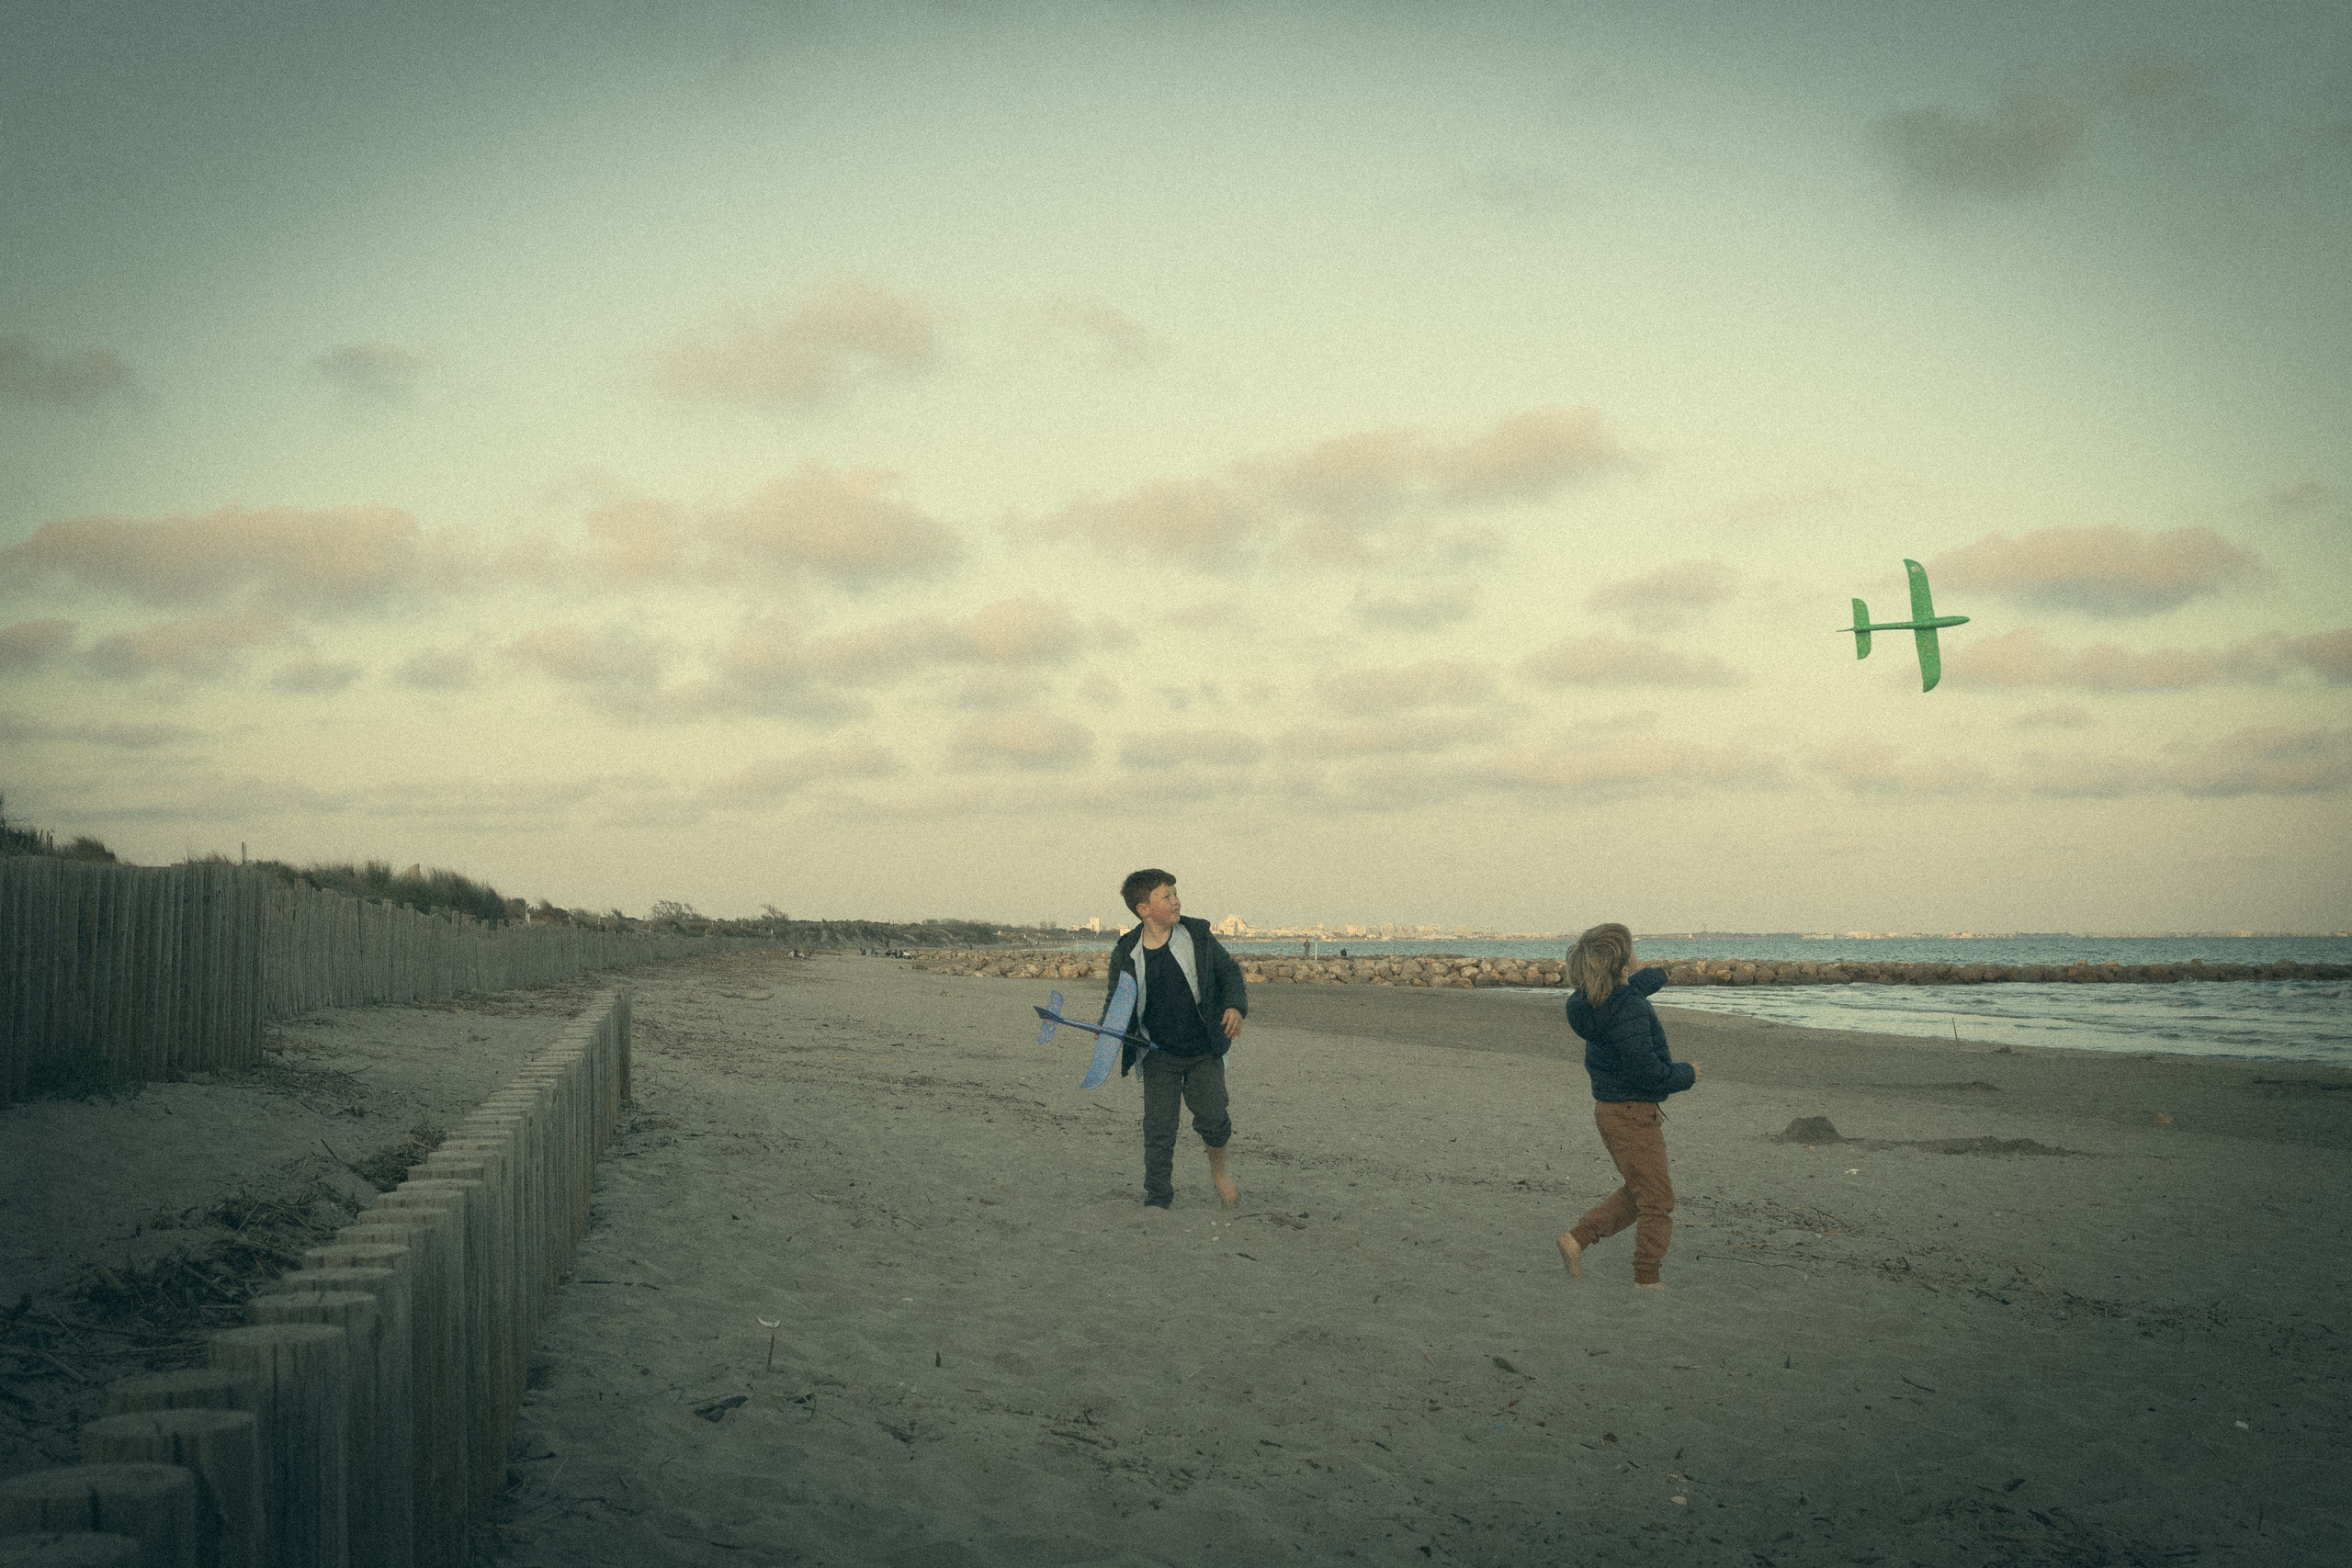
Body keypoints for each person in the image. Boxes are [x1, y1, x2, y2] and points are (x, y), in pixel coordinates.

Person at [1556, 922, 1701, 1288]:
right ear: (1622, 968)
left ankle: (1576, 1240)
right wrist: (1688, 1073)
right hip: (1632, 1112)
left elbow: (1628, 992)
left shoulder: (1595, 1002)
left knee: (1641, 1190)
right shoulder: (1628, 1011)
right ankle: (1646, 1277)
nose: (1638, 959)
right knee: (1656, 1200)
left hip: (1611, 1109)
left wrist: (1657, 976)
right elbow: (1649, 1074)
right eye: (1634, 954)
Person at [1105, 869, 1249, 1209]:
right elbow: (1117, 1003)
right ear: (1143, 909)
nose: (1176, 901)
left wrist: (1234, 1006)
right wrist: (1109, 1034)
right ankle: (1158, 1197)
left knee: (1214, 1120)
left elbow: (1229, 971)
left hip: (1203, 1050)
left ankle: (1219, 1173)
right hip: (1158, 1054)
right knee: (1158, 1129)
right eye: (1166, 896)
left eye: (1175, 893)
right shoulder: (1127, 951)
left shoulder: (1196, 936)